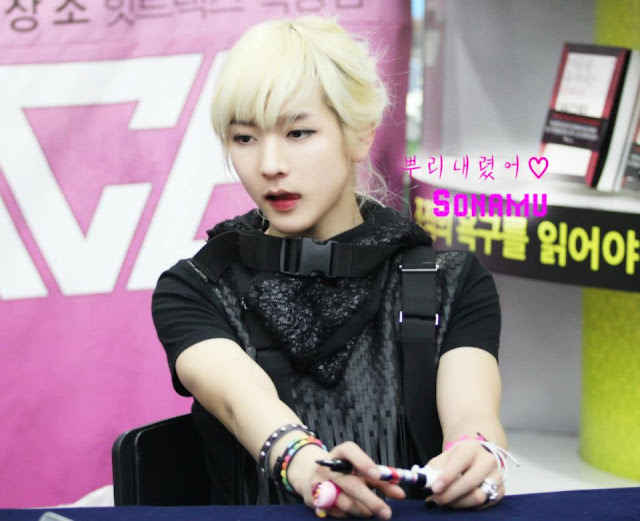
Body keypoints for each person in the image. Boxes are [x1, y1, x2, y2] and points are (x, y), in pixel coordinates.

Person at [152, 15, 509, 519]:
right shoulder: (194, 288)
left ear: (359, 136)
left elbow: (472, 411)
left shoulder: (451, 281)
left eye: (298, 132)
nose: (270, 165)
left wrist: (478, 455)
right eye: (245, 138)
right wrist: (305, 464)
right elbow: (240, 399)